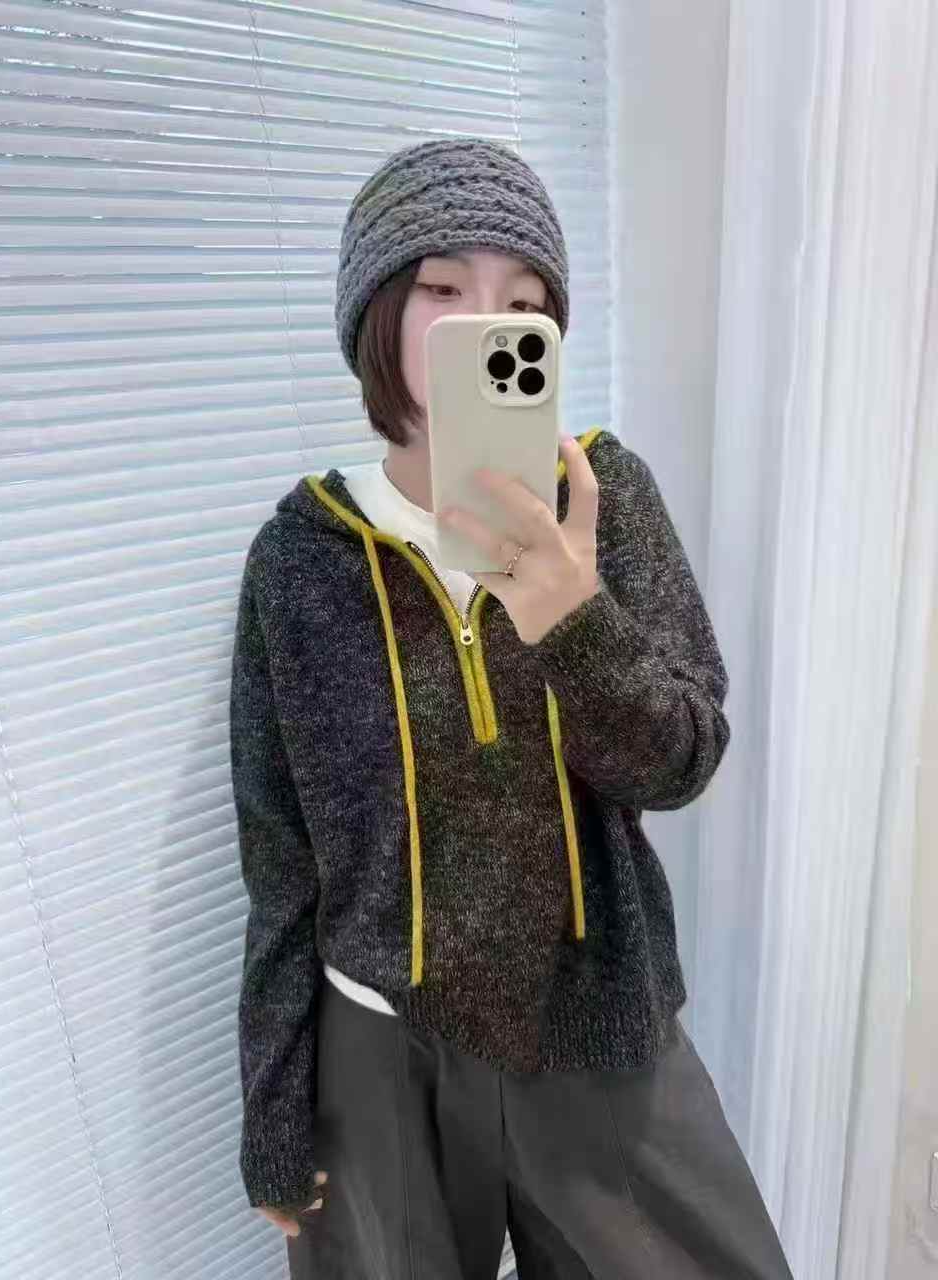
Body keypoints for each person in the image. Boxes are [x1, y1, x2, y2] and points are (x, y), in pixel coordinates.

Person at [229, 136, 795, 1279]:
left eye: (525, 305)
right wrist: (276, 1108)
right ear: (376, 313)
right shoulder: (300, 556)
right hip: (378, 1054)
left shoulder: (603, 496)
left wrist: (570, 614)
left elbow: (682, 759)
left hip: (594, 1027)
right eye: (444, 289)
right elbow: (282, 859)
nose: (487, 323)